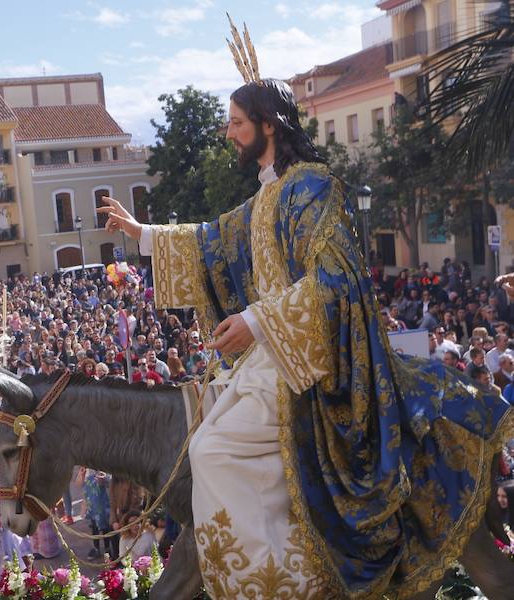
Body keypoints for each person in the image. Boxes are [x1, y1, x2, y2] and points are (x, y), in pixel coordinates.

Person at [97, 22, 514, 596]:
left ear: (270, 126)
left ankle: (283, 576)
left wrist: (256, 320)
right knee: (204, 442)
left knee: (214, 451)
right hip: (271, 357)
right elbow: (211, 241)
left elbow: (336, 280)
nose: (228, 134)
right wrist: (142, 232)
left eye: (237, 124)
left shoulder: (315, 188)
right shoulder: (268, 194)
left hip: (311, 360)